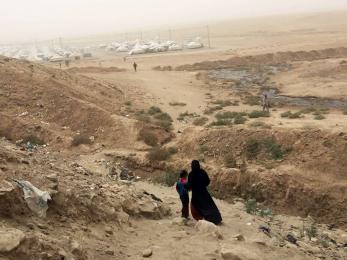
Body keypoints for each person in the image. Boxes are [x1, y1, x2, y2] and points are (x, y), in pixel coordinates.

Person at [186, 160, 222, 225]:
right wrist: (202, 185)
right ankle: (216, 219)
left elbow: (190, 185)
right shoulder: (203, 172)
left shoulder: (191, 174)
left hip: (196, 194)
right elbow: (207, 181)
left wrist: (185, 185)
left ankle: (201, 218)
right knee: (208, 205)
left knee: (196, 206)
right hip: (204, 192)